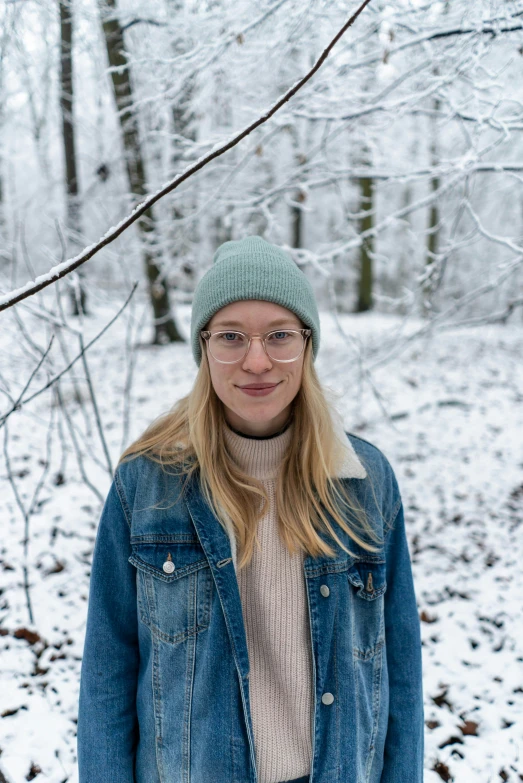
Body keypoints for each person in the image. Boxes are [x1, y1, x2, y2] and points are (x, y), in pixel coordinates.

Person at [77, 235, 424, 783]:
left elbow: (399, 668)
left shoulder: (364, 479)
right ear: (204, 348)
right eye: (231, 336)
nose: (257, 360)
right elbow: (107, 672)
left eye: (280, 335)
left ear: (307, 345)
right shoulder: (147, 484)